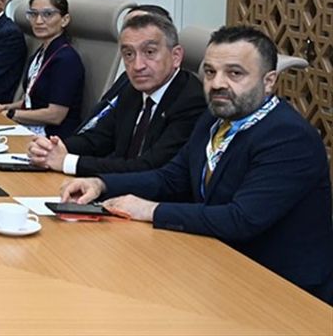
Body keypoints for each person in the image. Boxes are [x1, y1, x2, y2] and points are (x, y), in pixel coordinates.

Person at [60, 26, 333, 303]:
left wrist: (151, 210)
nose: (217, 84)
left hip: (282, 290)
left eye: (235, 73)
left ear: (269, 81)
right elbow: (170, 178)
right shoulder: (214, 119)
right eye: (211, 72)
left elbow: (241, 219)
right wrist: (102, 183)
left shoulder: (288, 136)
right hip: (217, 266)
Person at [28, 13, 205, 175]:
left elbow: (150, 166)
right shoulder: (133, 90)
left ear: (176, 56)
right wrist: (53, 148)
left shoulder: (191, 101)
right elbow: (99, 139)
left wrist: (67, 162)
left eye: (149, 52)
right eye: (128, 54)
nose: (137, 66)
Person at [0, 0, 84, 137]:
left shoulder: (66, 59)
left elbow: (55, 115)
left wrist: (11, 114)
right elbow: (31, 101)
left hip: (52, 136)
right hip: (31, 127)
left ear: (65, 20)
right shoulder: (40, 53)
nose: (38, 21)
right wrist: (4, 107)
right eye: (33, 14)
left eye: (48, 14)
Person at [76, 4, 174, 133]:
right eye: (127, 26)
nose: (138, 66)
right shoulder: (129, 81)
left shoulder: (181, 99)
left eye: (149, 52)